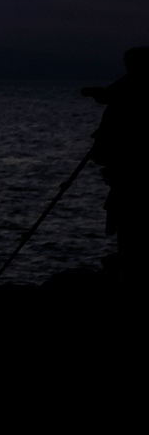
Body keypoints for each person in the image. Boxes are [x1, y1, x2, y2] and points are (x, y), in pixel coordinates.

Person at [85, 45, 146, 282]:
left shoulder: (126, 89)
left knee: (129, 235)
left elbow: (110, 98)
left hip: (127, 178)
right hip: (127, 175)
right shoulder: (126, 88)